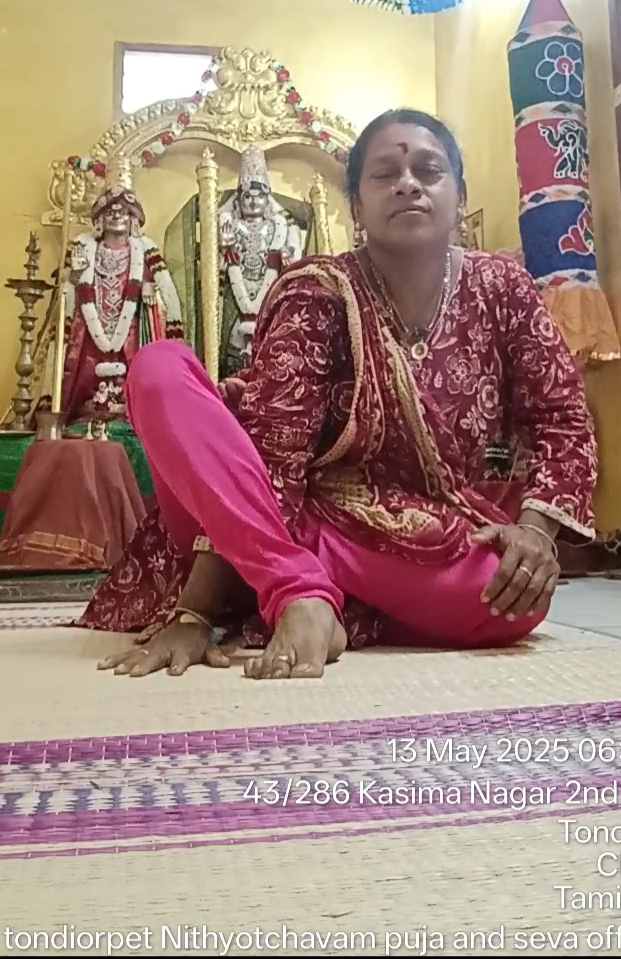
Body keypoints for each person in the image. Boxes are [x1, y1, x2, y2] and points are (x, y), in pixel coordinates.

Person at [90, 108, 597, 680]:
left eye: (429, 170)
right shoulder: (317, 289)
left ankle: (312, 598)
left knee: (509, 594)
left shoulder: (503, 288)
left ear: (460, 196)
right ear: (356, 206)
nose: (408, 183)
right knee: (158, 368)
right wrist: (195, 613)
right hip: (262, 511)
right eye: (384, 174)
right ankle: (295, 591)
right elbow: (273, 454)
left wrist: (534, 531)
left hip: (411, 532)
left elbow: (563, 418)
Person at [60, 186, 183, 423]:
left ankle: (134, 409)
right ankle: (84, 409)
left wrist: (150, 289)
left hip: (132, 331)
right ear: (100, 219)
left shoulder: (145, 251)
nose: (116, 216)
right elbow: (66, 293)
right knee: (80, 366)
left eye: (123, 212)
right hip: (90, 329)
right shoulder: (84, 248)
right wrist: (74, 276)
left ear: (133, 219)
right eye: (110, 212)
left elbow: (167, 295)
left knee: (138, 368)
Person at [219, 144, 303, 377]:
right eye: (247, 197)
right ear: (239, 201)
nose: (254, 202)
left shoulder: (278, 228)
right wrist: (223, 249)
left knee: (273, 334)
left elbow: (291, 261)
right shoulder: (231, 225)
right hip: (236, 294)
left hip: (270, 291)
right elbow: (217, 263)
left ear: (268, 201)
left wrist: (286, 256)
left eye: (259, 197)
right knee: (232, 341)